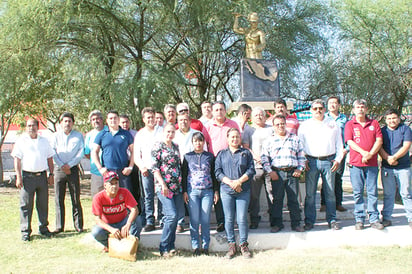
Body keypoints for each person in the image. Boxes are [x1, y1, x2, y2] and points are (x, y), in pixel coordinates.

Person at [298, 99, 343, 231]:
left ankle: (332, 219)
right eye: (315, 108)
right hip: (311, 161)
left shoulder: (332, 124)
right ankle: (309, 221)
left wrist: (338, 159)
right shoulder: (305, 125)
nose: (318, 110)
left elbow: (339, 144)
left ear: (324, 109)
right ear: (311, 110)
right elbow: (300, 145)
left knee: (330, 192)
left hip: (328, 161)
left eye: (320, 108)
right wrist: (303, 160)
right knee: (310, 194)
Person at [11, 118, 55, 241]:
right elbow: (17, 159)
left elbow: (50, 158)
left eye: (33, 125)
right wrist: (18, 176)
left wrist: (51, 174)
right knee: (26, 205)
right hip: (27, 177)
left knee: (43, 204)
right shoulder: (21, 141)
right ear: (26, 127)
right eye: (29, 126)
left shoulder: (44, 141)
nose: (31, 128)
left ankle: (43, 228)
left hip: (41, 177)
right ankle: (25, 232)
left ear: (38, 126)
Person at [261, 115, 306, 233]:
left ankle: (296, 223)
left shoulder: (295, 138)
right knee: (277, 200)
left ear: (285, 124)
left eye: (282, 123)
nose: (280, 126)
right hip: (277, 173)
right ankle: (277, 224)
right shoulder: (269, 140)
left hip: (292, 172)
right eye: (277, 124)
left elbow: (301, 155)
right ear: (273, 126)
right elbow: (264, 158)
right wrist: (270, 171)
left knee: (293, 199)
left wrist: (300, 169)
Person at [215, 128, 255, 259]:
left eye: (237, 137)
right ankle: (231, 245)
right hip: (227, 191)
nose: (234, 139)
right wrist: (230, 183)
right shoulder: (221, 154)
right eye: (232, 137)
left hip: (242, 190)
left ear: (240, 138)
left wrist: (238, 182)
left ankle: (243, 245)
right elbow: (218, 172)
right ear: (227, 139)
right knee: (229, 218)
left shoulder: (246, 153)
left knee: (242, 218)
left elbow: (251, 170)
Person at [345, 99, 384, 230]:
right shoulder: (350, 124)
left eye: (363, 107)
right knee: (358, 192)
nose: (360, 109)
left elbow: (379, 140)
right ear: (353, 110)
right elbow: (349, 141)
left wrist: (370, 154)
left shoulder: (374, 123)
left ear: (366, 109)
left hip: (372, 163)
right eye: (358, 107)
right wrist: (363, 152)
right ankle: (359, 219)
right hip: (356, 163)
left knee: (372, 191)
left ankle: (374, 218)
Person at [205, 101, 240, 232]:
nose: (219, 112)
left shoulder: (233, 124)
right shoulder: (208, 126)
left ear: (225, 111)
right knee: (218, 191)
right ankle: (221, 221)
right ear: (212, 112)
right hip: (214, 162)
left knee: (231, 189)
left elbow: (238, 140)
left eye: (221, 109)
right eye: (216, 110)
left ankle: (232, 220)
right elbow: (205, 144)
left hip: (231, 160)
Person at [182, 132, 219, 256]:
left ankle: (205, 245)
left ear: (204, 142)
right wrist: (185, 191)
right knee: (194, 219)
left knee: (205, 219)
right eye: (195, 141)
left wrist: (215, 191)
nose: (198, 143)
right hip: (192, 192)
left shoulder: (209, 156)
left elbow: (214, 174)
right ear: (192, 143)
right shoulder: (187, 157)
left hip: (207, 191)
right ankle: (195, 246)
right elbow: (184, 174)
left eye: (200, 141)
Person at [151, 123, 184, 258]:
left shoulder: (175, 146)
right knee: (171, 216)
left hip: (177, 187)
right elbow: (155, 168)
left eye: (172, 132)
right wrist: (163, 184)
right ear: (163, 132)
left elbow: (178, 165)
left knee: (174, 218)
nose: (170, 134)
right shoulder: (157, 146)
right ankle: (163, 247)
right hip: (164, 187)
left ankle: (171, 246)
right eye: (168, 132)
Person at [51, 112, 84, 234]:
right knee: (59, 198)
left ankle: (78, 225)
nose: (67, 123)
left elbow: (80, 152)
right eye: (65, 121)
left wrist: (69, 165)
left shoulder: (78, 136)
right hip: (59, 170)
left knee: (75, 197)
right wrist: (62, 165)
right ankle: (59, 226)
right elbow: (52, 152)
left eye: (69, 121)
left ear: (73, 123)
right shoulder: (55, 136)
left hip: (73, 169)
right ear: (61, 123)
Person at [91, 171, 141, 252]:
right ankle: (109, 246)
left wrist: (128, 224)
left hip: (122, 221)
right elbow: (97, 219)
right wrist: (111, 229)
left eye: (116, 183)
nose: (114, 186)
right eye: (111, 184)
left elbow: (134, 209)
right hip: (108, 224)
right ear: (105, 185)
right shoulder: (98, 197)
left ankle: (133, 246)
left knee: (137, 220)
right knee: (96, 232)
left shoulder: (125, 192)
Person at [378, 109, 412, 229]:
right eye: (389, 118)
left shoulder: (405, 129)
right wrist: (388, 158)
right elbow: (379, 146)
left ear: (398, 118)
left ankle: (410, 218)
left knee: (406, 193)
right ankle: (386, 218)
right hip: (387, 168)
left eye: (394, 118)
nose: (392, 121)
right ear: (385, 120)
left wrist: (395, 157)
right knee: (388, 194)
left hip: (403, 167)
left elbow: (406, 145)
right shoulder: (382, 131)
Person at [242, 107, 273, 229]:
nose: (259, 117)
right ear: (252, 118)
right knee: (254, 196)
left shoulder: (271, 129)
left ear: (265, 116)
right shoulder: (248, 130)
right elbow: (246, 146)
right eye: (256, 115)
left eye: (261, 114)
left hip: (270, 166)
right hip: (256, 166)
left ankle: (274, 219)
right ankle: (254, 219)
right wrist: (256, 157)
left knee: (271, 194)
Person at [92, 110, 135, 195]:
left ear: (118, 120)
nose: (113, 120)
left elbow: (134, 151)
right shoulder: (101, 134)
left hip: (123, 171)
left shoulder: (126, 134)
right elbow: (94, 152)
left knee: (126, 197)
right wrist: (100, 168)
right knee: (109, 197)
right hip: (108, 171)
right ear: (107, 121)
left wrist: (130, 167)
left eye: (115, 118)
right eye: (110, 118)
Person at [134, 107, 163, 232]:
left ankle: (162, 219)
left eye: (152, 117)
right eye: (148, 118)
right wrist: (141, 166)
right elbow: (136, 155)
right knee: (148, 196)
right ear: (144, 119)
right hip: (146, 170)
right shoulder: (140, 134)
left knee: (161, 194)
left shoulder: (162, 131)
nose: (151, 120)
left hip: (161, 170)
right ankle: (150, 221)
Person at [320, 96, 348, 212]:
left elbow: (348, 135)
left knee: (337, 178)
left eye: (335, 103)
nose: (332, 105)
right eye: (330, 103)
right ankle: (324, 203)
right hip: (327, 152)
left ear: (339, 105)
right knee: (326, 178)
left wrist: (346, 149)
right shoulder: (323, 118)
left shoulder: (344, 119)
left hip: (340, 152)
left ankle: (338, 203)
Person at [84, 110, 106, 197]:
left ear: (102, 119)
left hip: (110, 170)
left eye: (97, 118)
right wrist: (96, 160)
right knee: (97, 197)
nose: (95, 121)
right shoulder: (89, 135)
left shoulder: (108, 131)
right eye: (93, 119)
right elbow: (87, 153)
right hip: (96, 173)